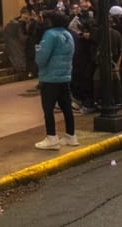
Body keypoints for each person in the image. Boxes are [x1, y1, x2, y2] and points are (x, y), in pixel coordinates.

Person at [33, 11, 78, 149]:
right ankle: (71, 136)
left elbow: (41, 59)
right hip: (64, 76)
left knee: (48, 109)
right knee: (66, 108)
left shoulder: (50, 35)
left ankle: (51, 137)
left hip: (49, 77)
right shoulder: (67, 34)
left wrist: (37, 49)